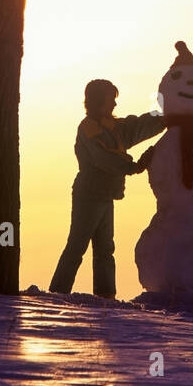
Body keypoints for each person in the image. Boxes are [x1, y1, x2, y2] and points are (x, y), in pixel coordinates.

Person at [49, 79, 165, 299]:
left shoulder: (111, 127)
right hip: (89, 195)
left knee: (105, 250)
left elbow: (135, 127)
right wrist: (133, 166)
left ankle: (106, 296)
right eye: (111, 100)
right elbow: (103, 157)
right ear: (98, 101)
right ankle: (57, 294)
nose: (114, 105)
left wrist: (162, 118)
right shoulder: (89, 128)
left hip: (105, 195)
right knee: (77, 246)